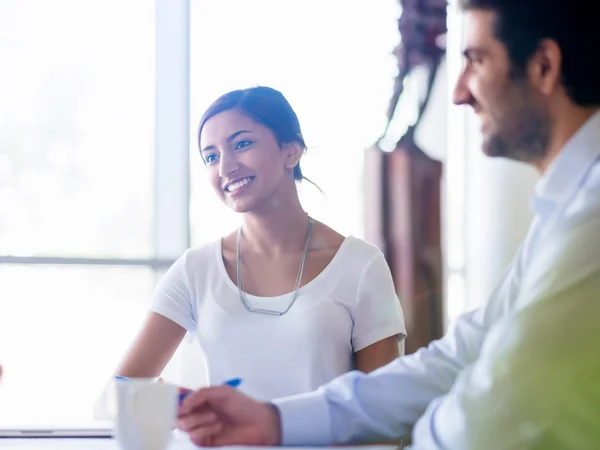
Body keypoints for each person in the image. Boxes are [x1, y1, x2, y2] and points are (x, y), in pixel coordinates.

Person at [174, 0, 600, 448]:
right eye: (210, 155)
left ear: (544, 67)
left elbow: (495, 416)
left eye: (475, 60)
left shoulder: (589, 220)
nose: (459, 92)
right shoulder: (562, 212)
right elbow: (458, 358)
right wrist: (276, 421)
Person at [100, 86, 406, 407]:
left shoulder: (360, 266)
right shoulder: (196, 270)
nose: (225, 168)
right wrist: (165, 408)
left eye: (242, 144)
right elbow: (118, 397)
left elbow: (382, 415)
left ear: (291, 150)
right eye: (211, 156)